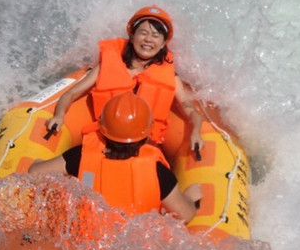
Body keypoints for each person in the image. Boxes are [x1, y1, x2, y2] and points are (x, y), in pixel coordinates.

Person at [45, 5, 204, 151]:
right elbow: (70, 94)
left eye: (156, 35)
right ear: (132, 36)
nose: (148, 39)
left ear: (163, 44)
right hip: (105, 142)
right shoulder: (108, 65)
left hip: (143, 147)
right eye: (143, 33)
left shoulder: (170, 75)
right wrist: (59, 115)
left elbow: (188, 108)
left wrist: (196, 132)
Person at [30, 92, 202, 224]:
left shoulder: (81, 156)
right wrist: (190, 198)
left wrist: (39, 164)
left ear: (102, 130)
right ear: (147, 133)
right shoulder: (158, 172)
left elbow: (34, 173)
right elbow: (184, 215)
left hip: (85, 242)